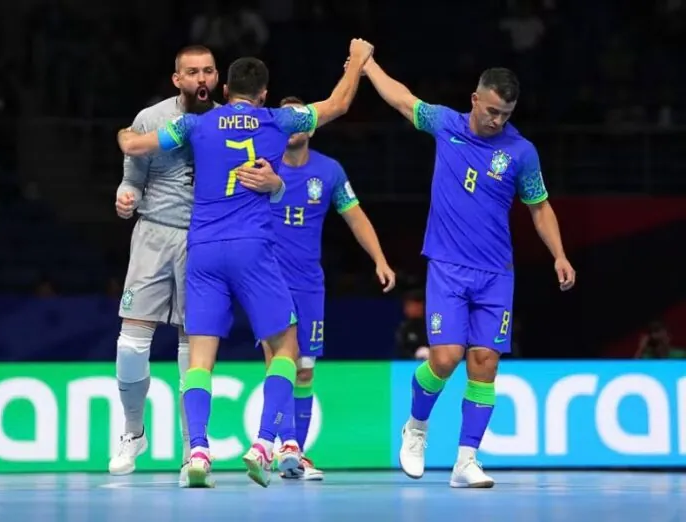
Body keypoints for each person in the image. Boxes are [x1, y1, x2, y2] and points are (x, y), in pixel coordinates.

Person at [117, 38, 375, 488]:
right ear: (263, 93)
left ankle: (197, 452)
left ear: (225, 86)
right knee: (287, 349)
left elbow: (139, 146)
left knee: (199, 359)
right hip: (253, 250)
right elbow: (339, 102)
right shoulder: (279, 120)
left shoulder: (194, 124)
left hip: (204, 251)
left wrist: (123, 136)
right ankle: (263, 443)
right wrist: (355, 62)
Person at [361, 57, 576, 488]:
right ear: (475, 100)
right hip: (448, 267)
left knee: (485, 363)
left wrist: (559, 254)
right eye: (491, 110)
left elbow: (540, 207)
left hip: (497, 272)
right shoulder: (446, 125)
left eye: (506, 115)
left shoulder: (521, 152)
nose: (497, 120)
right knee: (445, 357)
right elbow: (402, 100)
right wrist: (367, 66)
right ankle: (416, 428)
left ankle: (466, 460)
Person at [110, 45, 283, 483]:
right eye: (192, 72)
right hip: (153, 233)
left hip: (204, 241)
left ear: (218, 79)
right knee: (131, 344)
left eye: (208, 71)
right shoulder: (154, 118)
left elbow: (271, 174)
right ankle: (133, 431)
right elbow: (133, 170)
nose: (201, 78)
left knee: (194, 347)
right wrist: (125, 195)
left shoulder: (227, 122)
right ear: (177, 80)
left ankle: (194, 451)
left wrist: (276, 184)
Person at [239, 95, 396, 481]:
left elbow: (355, 216)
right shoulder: (260, 165)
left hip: (309, 283)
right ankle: (284, 446)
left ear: (310, 125)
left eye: (301, 118)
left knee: (305, 369)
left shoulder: (329, 171)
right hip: (267, 280)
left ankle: (295, 456)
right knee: (282, 363)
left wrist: (379, 258)